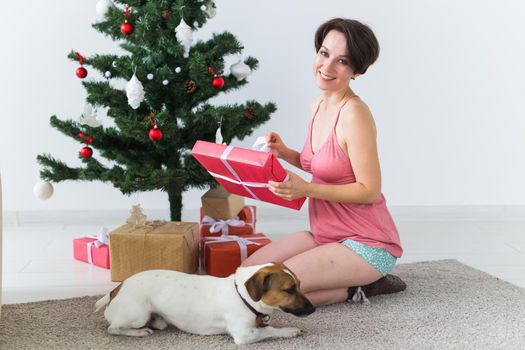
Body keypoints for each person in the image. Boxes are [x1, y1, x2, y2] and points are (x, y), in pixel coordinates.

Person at [241, 18, 406, 307]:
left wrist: (307, 190)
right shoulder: (317, 105)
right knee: (246, 277)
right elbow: (325, 166)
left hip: (367, 244)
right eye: (324, 53)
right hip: (326, 234)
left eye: (342, 61)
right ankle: (353, 287)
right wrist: (285, 153)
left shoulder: (355, 115)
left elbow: (369, 189)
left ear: (356, 70)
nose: (327, 67)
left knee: (270, 293)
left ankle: (367, 282)